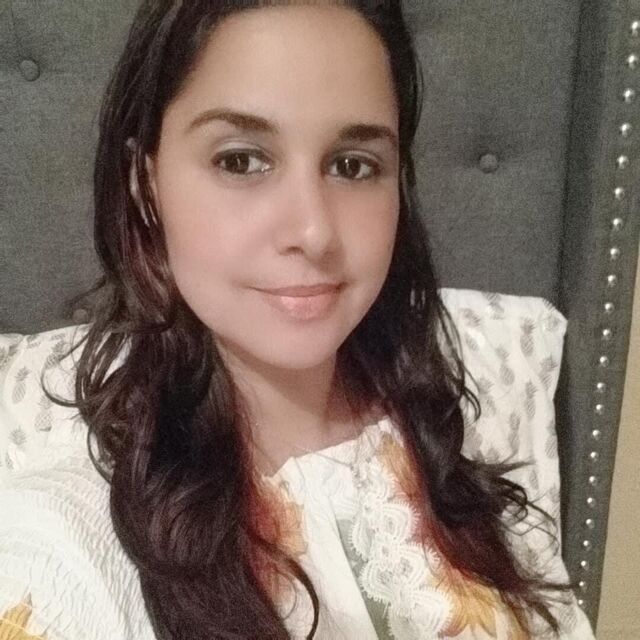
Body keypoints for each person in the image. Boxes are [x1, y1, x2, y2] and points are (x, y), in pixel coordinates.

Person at [0, 1, 597, 638]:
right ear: (146, 184)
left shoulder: (451, 428)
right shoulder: (58, 544)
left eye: (352, 165)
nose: (314, 230)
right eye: (240, 160)